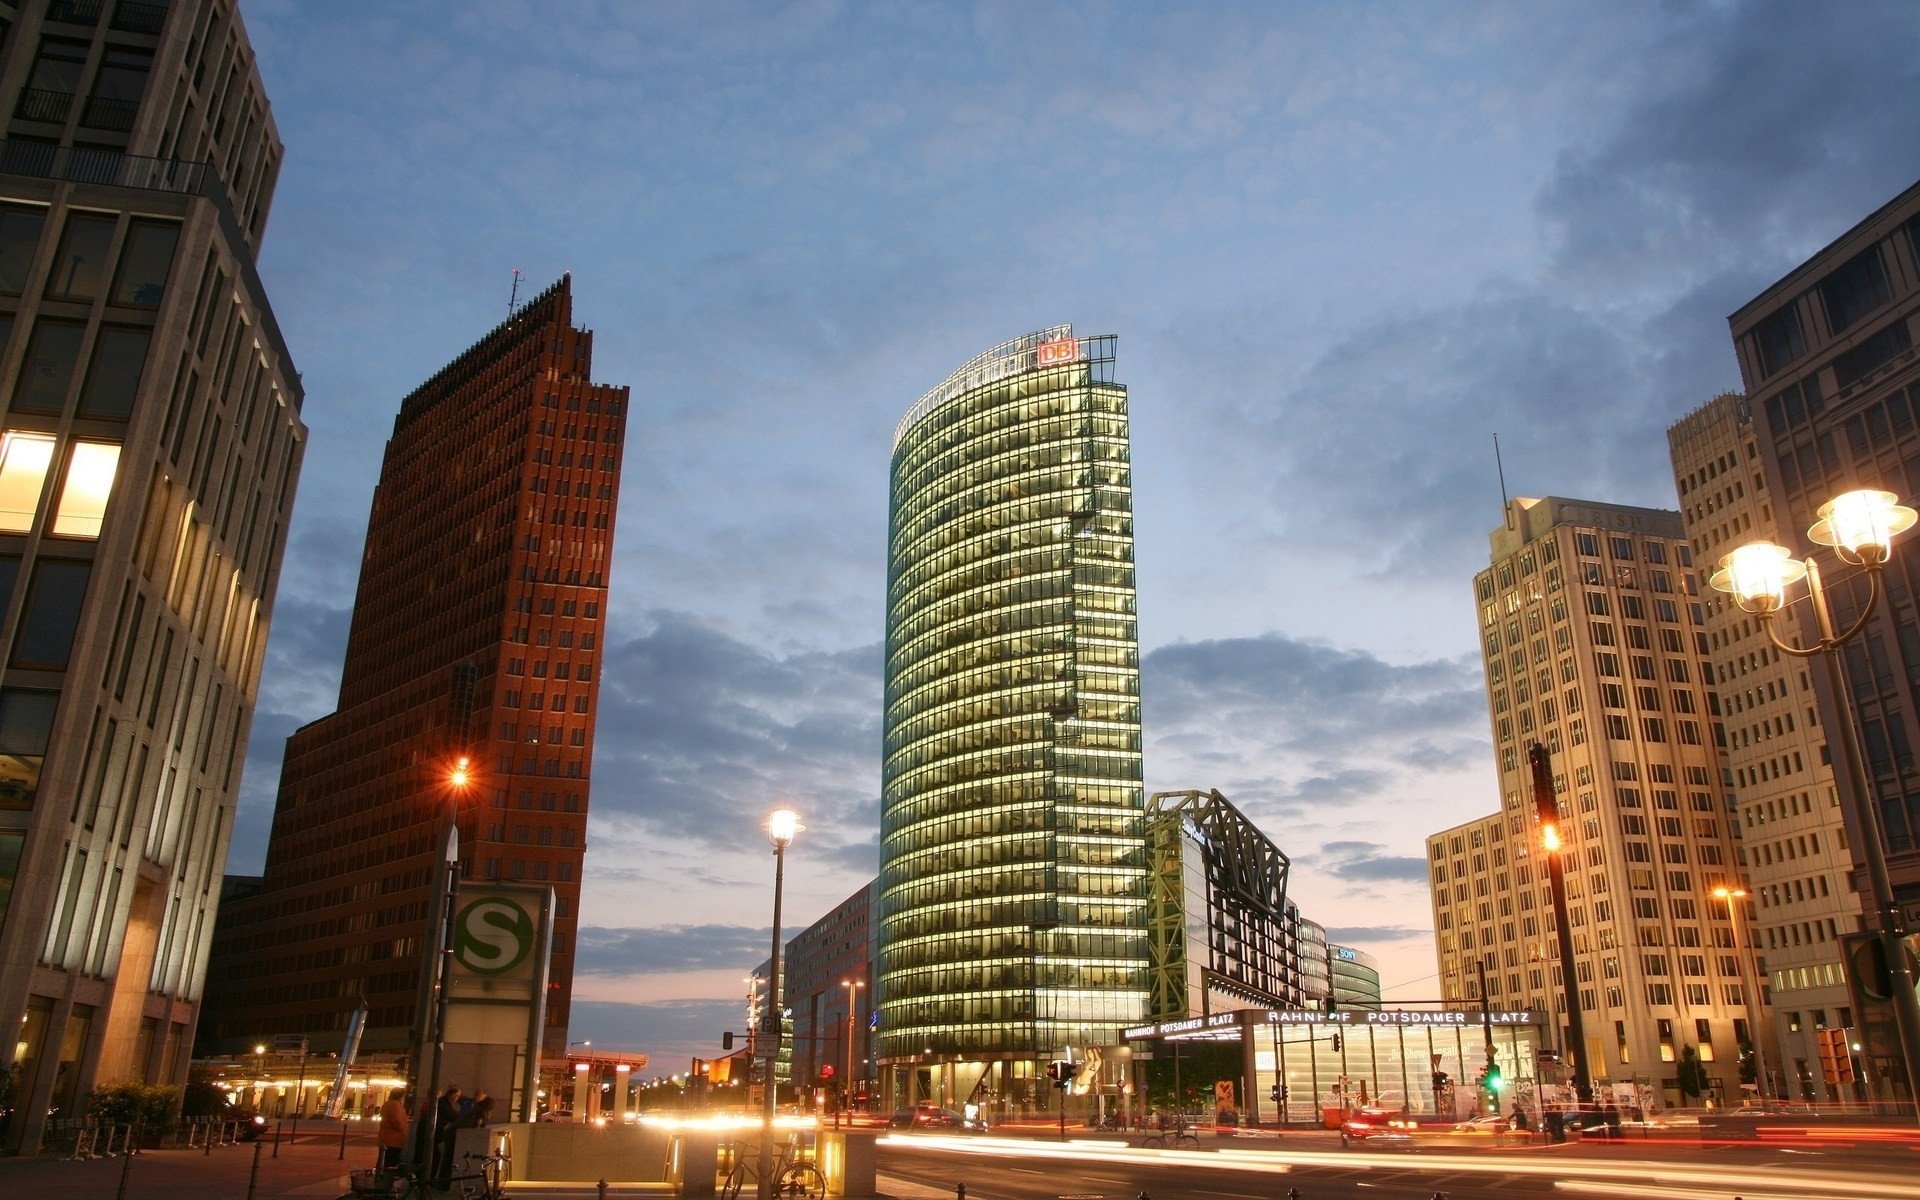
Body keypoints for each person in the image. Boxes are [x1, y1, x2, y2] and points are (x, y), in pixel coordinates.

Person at [431, 1084, 462, 1188]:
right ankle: (434, 1180)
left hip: (439, 1132)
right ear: (452, 1095)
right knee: (437, 1157)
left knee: (437, 1157)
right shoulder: (443, 1103)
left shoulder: (445, 1102)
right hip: (439, 1133)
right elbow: (452, 1115)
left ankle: (434, 1179)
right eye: (457, 1096)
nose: (458, 1098)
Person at [377, 1090, 409, 1172]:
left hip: (386, 1138)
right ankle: (386, 1179)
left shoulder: (388, 1103)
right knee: (391, 1161)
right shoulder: (395, 1105)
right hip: (393, 1139)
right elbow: (396, 1121)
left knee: (384, 1160)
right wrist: (403, 1128)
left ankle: (381, 1176)